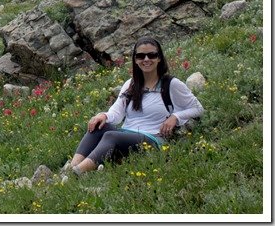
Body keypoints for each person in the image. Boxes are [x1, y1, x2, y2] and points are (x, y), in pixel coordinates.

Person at [67, 36, 204, 175]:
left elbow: (198, 109)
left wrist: (175, 117)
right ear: (135, 59)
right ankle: (71, 167)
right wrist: (103, 115)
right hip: (127, 135)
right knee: (98, 127)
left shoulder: (171, 84)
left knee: (111, 136)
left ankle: (77, 173)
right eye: (140, 56)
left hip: (153, 138)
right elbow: (116, 112)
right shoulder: (131, 84)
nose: (146, 59)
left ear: (159, 58)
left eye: (151, 55)